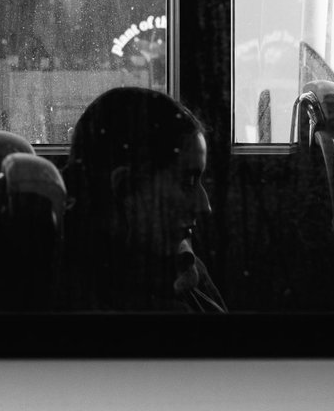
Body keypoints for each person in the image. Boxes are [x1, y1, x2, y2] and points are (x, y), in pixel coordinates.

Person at [60, 86, 226, 312]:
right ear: (125, 187)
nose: (204, 206)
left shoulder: (188, 267)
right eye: (187, 182)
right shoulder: (75, 298)